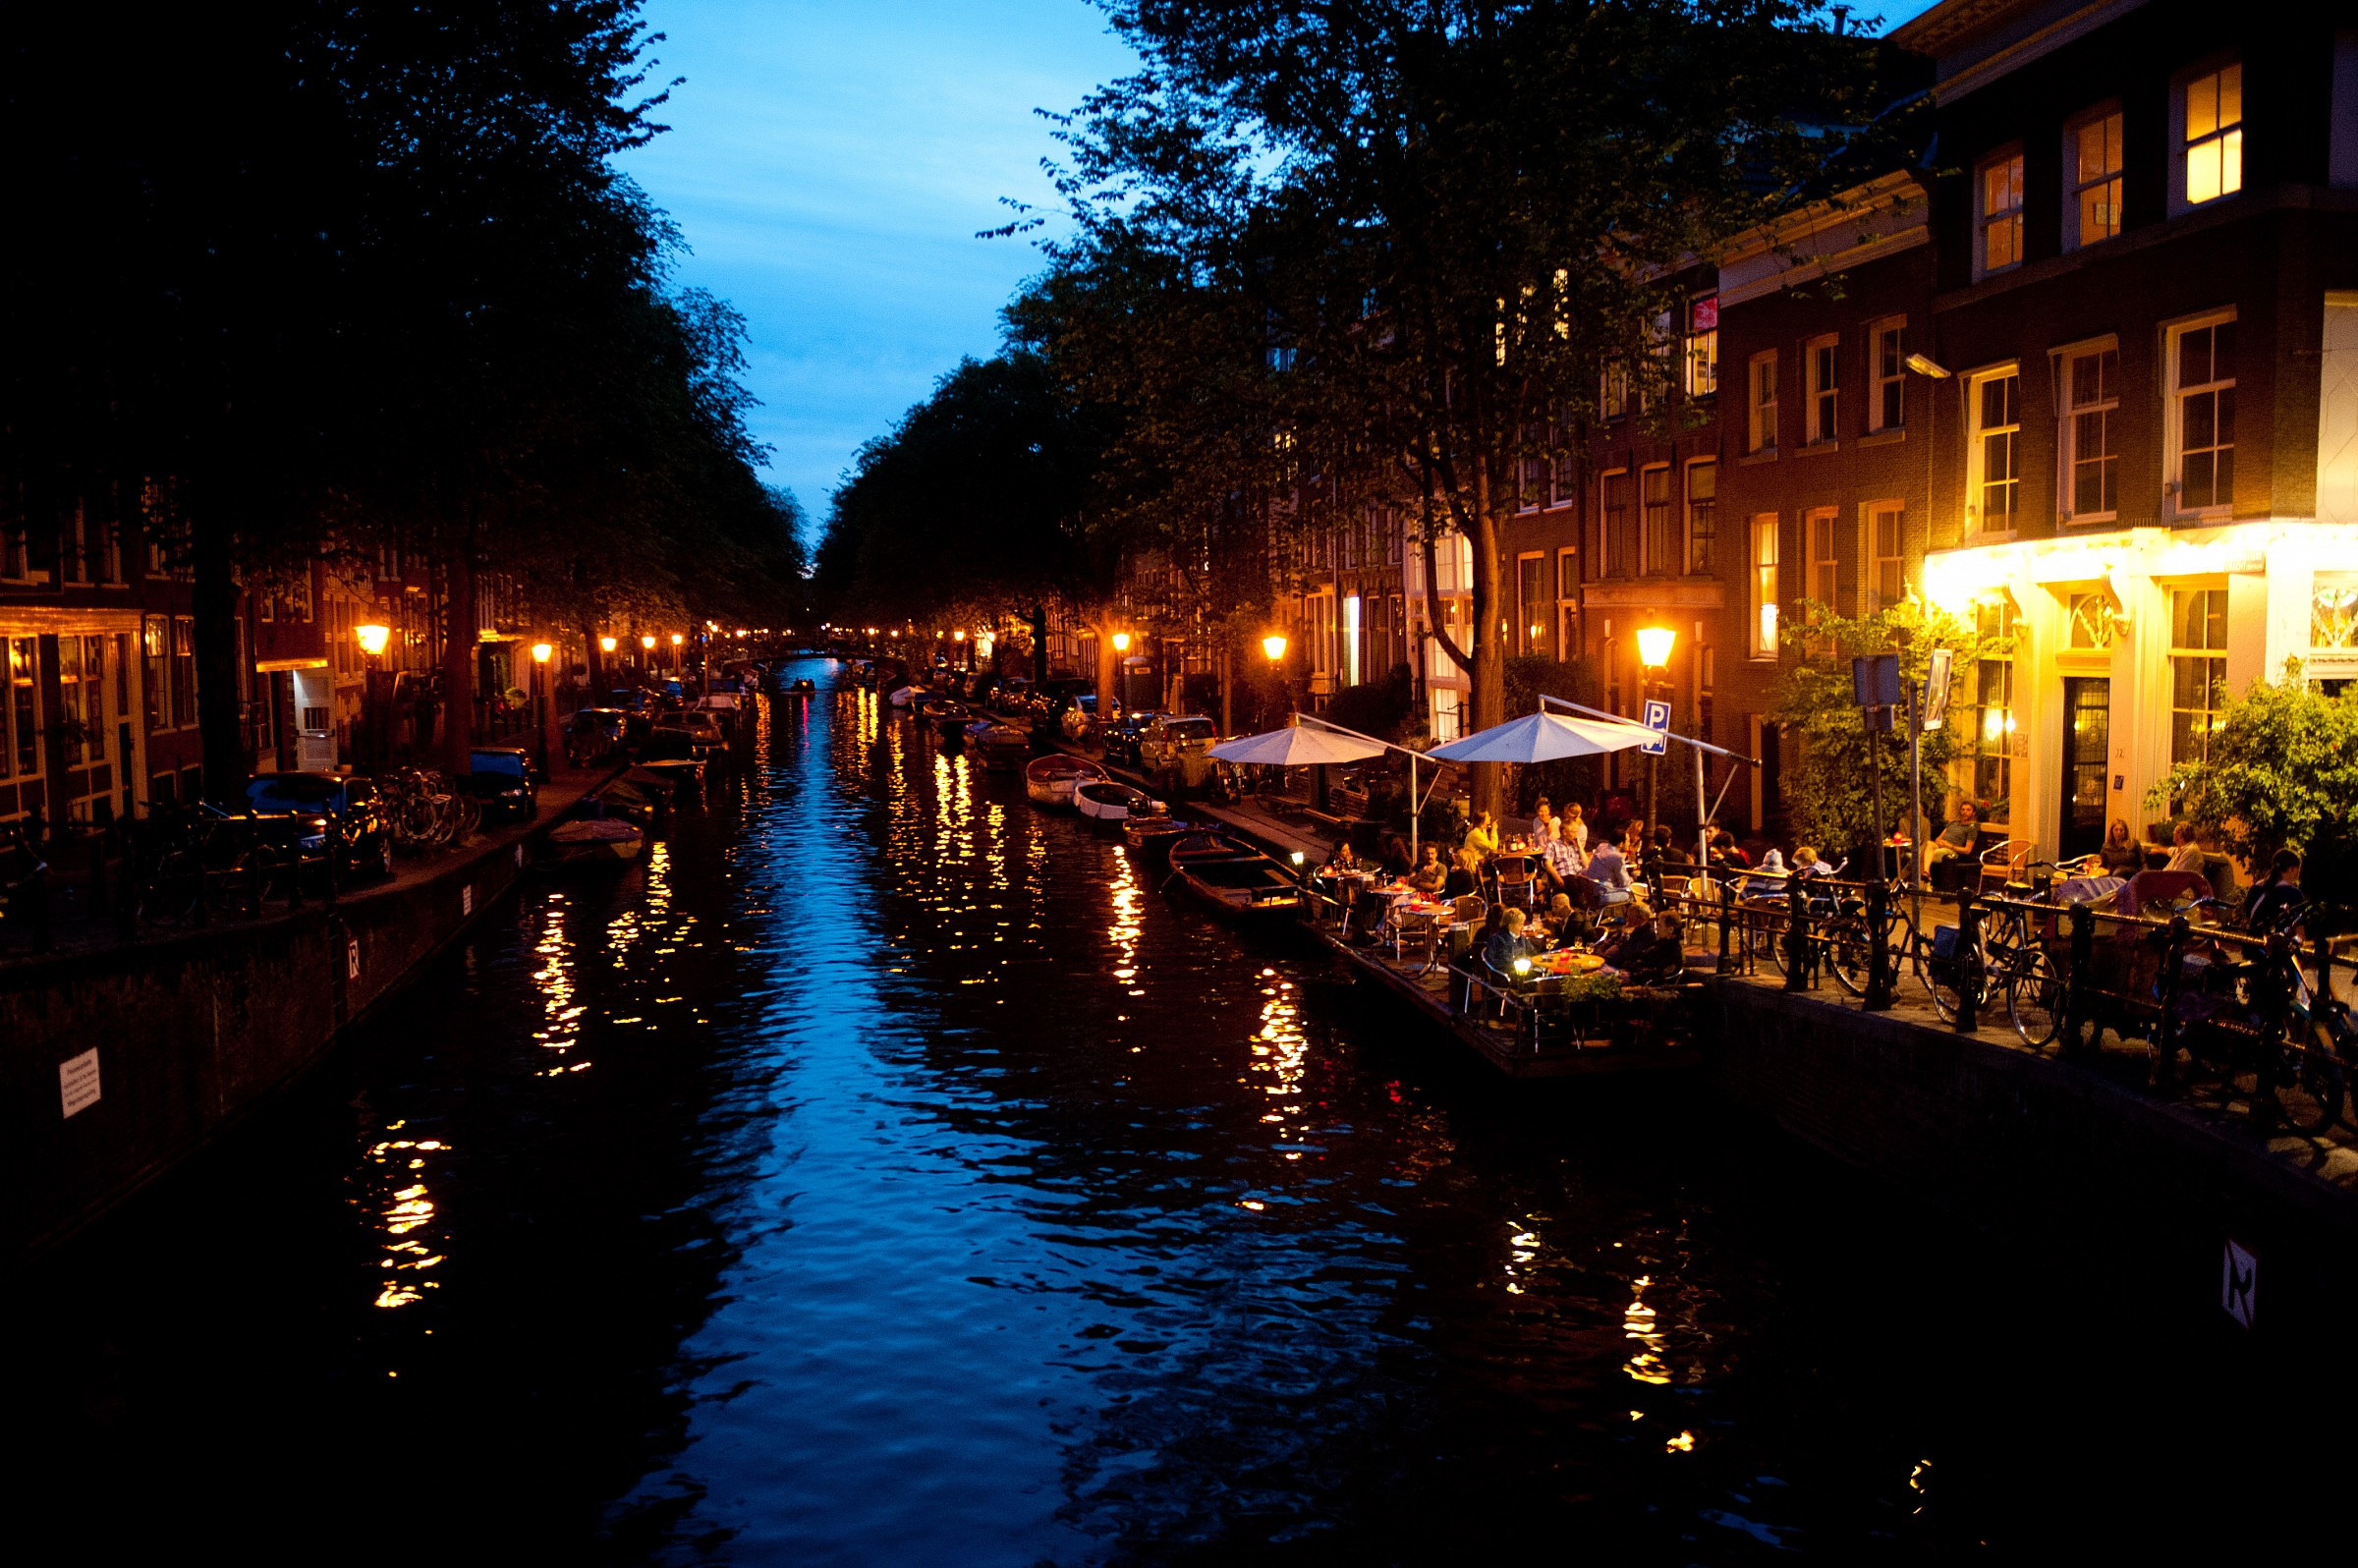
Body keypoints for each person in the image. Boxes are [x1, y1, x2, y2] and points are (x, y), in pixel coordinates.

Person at [2243, 849, 2305, 933]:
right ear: (2291, 869)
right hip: (2276, 944)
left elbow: (2248, 914)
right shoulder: (2294, 894)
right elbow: (2299, 928)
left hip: (2251, 942)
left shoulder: (2256, 888)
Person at [1922, 802, 1980, 884]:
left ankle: (1923, 879)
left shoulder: (1972, 828)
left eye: (1968, 810)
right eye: (1963, 809)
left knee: (1924, 855)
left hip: (1952, 851)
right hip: (1941, 846)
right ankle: (1926, 873)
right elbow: (1938, 838)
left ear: (1973, 813)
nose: (1965, 812)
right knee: (1929, 843)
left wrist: (1949, 846)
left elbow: (1967, 850)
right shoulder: (1953, 823)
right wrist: (1939, 842)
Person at [1485, 905, 1537, 976]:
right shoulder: (1496, 939)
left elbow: (1532, 952)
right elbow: (1490, 961)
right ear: (1510, 925)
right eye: (1520, 924)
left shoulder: (1521, 938)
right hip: (1505, 975)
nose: (1522, 927)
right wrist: (1512, 963)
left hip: (1523, 973)